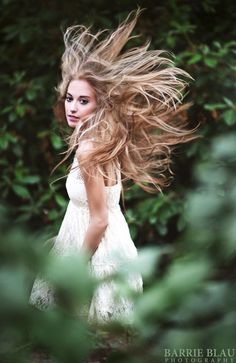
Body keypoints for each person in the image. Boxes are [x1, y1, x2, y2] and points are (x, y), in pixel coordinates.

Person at [29, 8, 199, 324]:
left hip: (95, 256)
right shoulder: (104, 138)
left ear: (99, 104)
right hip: (104, 246)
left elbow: (99, 219)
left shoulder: (90, 149)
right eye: (70, 98)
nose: (73, 107)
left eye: (84, 101)